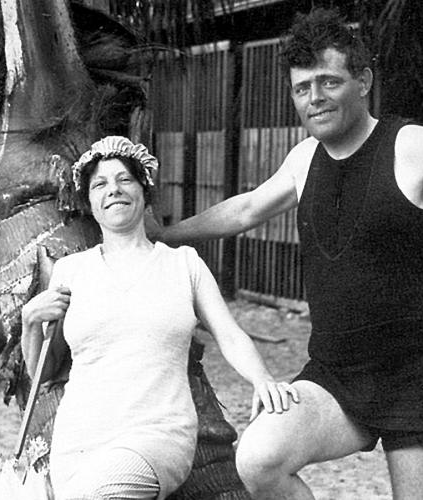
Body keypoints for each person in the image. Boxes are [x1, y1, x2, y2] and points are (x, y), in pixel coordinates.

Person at [150, 8, 423, 500]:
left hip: (418, 376)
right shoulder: (303, 159)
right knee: (258, 460)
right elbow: (246, 209)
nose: (315, 98)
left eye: (329, 82)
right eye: (302, 88)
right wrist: (166, 235)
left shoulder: (414, 146)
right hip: (335, 376)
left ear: (363, 81)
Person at [20, 136, 299, 500]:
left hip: (158, 433)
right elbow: (42, 372)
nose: (113, 190)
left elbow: (229, 335)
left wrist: (262, 379)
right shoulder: (70, 271)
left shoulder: (183, 264)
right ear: (89, 202)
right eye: (100, 185)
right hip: (79, 440)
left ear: (144, 189)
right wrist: (30, 322)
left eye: (124, 179)